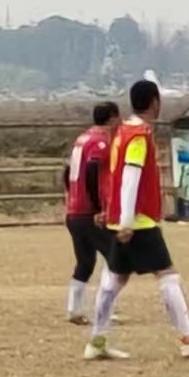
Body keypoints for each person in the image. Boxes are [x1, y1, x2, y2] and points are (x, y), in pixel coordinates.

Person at [84, 78, 189, 361]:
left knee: (113, 281)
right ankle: (188, 338)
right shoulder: (138, 136)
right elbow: (130, 177)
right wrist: (127, 220)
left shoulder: (122, 131)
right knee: (167, 274)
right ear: (154, 102)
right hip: (138, 220)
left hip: (122, 219)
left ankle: (97, 341)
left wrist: (116, 215)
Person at [61, 101, 120, 324]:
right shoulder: (100, 142)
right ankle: (104, 309)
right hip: (88, 213)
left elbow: (68, 171)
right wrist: (97, 207)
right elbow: (93, 169)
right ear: (113, 118)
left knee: (85, 262)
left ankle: (74, 309)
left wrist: (71, 195)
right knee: (115, 259)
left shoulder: (82, 139)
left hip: (74, 211)